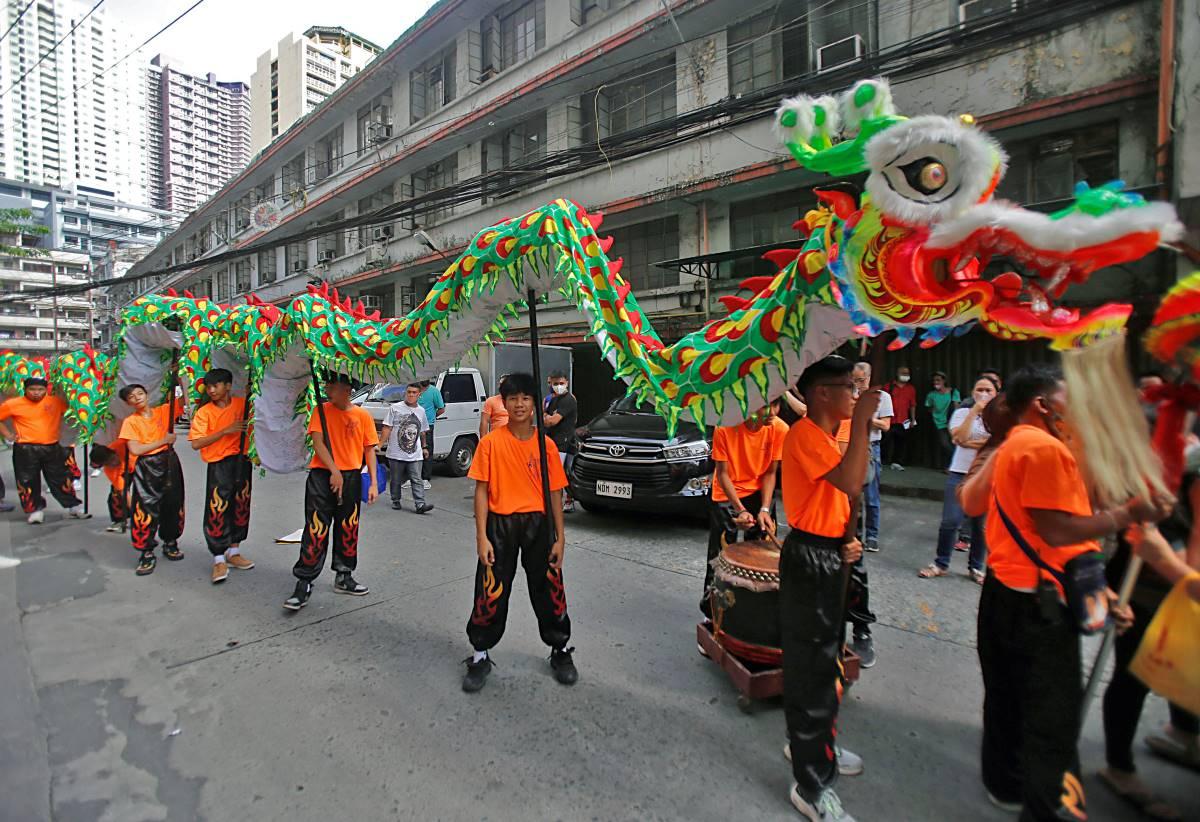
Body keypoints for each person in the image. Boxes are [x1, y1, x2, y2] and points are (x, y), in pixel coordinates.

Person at [977, 363, 1159, 818]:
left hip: (1007, 592)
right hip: (1039, 610)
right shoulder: (1043, 448)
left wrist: (1103, 592)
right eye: (1068, 399)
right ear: (1043, 404)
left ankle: (1007, 785)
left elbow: (1052, 538)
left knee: (1007, 701)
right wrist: (1126, 514)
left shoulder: (1016, 443)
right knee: (1052, 727)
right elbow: (1058, 531)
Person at [778, 355, 877, 822]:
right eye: (848, 388)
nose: (855, 396)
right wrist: (861, 423)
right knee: (811, 663)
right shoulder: (803, 436)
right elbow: (852, 479)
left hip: (831, 551)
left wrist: (849, 538)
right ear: (822, 393)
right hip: (810, 556)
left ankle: (813, 746)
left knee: (827, 659)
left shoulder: (825, 434)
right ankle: (810, 783)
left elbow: (849, 496)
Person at [1098, 461, 1200, 819]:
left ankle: (1186, 732)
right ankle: (1119, 767)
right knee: (1133, 677)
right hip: (1145, 592)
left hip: (1182, 593)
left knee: (1186, 668)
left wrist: (1169, 561)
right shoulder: (1176, 466)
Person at [462, 372, 575, 693]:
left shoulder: (547, 446)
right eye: (513, 399)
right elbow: (481, 492)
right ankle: (480, 652)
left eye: (526, 398)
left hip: (539, 524)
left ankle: (560, 649)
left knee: (550, 587)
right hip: (500, 524)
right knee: (490, 589)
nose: (520, 404)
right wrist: (481, 537)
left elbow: (555, 493)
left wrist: (560, 538)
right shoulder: (490, 444)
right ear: (504, 403)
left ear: (535, 404)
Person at [284, 372, 379, 610]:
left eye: (332, 387)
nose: (327, 390)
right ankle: (304, 580)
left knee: (348, 527)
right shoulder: (321, 411)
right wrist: (334, 471)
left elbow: (369, 451)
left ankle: (344, 575)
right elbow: (318, 444)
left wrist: (374, 483)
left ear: (346, 389)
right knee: (316, 527)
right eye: (326, 386)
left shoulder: (362, 415)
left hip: (351, 476)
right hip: (322, 475)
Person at [701, 401, 787, 620]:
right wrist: (739, 510)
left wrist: (765, 508)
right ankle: (711, 613)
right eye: (764, 406)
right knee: (720, 555)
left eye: (776, 405)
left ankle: (755, 612)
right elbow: (722, 474)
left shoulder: (779, 428)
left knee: (763, 554)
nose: (771, 412)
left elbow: (770, 473)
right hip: (727, 494)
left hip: (759, 492)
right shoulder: (725, 427)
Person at [918, 376, 998, 584]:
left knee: (981, 525)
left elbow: (997, 443)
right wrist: (975, 411)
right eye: (979, 389)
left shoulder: (1000, 416)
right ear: (972, 392)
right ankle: (941, 563)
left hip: (985, 475)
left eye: (988, 390)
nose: (984, 394)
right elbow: (959, 438)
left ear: (996, 393)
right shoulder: (962, 412)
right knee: (950, 521)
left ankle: (976, 567)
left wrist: (971, 441)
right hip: (959, 472)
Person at [188, 368, 255, 585]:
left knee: (241, 505)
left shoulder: (241, 404)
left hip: (242, 461)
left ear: (228, 385)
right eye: (209, 387)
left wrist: (252, 395)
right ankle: (218, 557)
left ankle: (234, 551)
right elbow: (196, 443)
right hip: (219, 464)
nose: (212, 390)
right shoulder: (205, 412)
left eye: (216, 385)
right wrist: (225, 431)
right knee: (218, 508)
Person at [0, 377, 88, 524]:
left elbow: (72, 416)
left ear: (46, 390)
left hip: (52, 447)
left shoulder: (55, 402)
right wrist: (8, 434)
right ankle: (35, 510)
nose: (36, 393)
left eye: (40, 389)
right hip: (25, 448)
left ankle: (73, 506)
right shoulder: (13, 404)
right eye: (32, 389)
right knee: (27, 480)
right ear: (25, 390)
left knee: (61, 478)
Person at [118, 384, 185, 576]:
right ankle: (146, 551)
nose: (137, 397)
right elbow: (136, 449)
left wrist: (180, 377)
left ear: (147, 394)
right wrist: (163, 440)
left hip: (169, 461)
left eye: (140, 393)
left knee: (173, 503)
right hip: (147, 466)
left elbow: (186, 401)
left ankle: (170, 541)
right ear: (128, 402)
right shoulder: (130, 422)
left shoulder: (163, 411)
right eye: (132, 396)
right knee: (146, 507)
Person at [852, 362, 892, 552]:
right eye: (854, 381)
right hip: (850, 445)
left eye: (860, 380)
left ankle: (872, 535)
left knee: (871, 494)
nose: (857, 384)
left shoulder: (882, 397)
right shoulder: (849, 396)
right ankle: (853, 533)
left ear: (869, 377)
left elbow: (886, 425)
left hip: (871, 446)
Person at [381, 383, 434, 514]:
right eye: (409, 392)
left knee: (416, 478)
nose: (411, 395)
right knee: (396, 479)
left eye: (414, 393)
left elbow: (422, 431)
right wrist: (379, 444)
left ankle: (420, 504)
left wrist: (425, 447)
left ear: (419, 395)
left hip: (415, 453)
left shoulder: (421, 411)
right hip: (395, 452)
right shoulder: (395, 408)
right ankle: (396, 499)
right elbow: (387, 427)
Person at [543, 371, 579, 513]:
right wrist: (546, 417)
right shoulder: (550, 399)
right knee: (558, 473)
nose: (559, 386)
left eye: (561, 383)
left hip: (563, 442)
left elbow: (552, 421)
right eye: (555, 384)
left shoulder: (569, 400)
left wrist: (547, 418)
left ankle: (560, 503)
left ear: (567, 383)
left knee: (557, 475)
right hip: (551, 440)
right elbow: (543, 414)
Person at [88, 441, 128, 533]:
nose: (113, 463)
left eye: (112, 459)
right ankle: (119, 520)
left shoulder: (121, 445)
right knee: (115, 495)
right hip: (123, 473)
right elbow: (124, 492)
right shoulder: (110, 470)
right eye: (108, 463)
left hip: (137, 463)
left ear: (113, 452)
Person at [882, 366, 917, 469]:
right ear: (897, 373)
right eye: (903, 373)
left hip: (903, 419)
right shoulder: (888, 387)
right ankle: (882, 460)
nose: (905, 375)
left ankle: (897, 462)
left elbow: (913, 405)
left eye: (907, 373)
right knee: (885, 441)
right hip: (889, 419)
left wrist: (913, 419)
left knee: (901, 442)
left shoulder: (911, 389)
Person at [925, 371, 960, 467]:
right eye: (934, 380)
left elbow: (957, 407)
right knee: (944, 444)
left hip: (952, 422)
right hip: (939, 423)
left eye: (938, 380)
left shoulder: (953, 392)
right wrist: (936, 415)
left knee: (953, 444)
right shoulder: (931, 395)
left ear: (944, 381)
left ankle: (951, 466)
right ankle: (955, 463)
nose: (936, 382)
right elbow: (929, 408)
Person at [417, 378, 445, 488]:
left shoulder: (434, 391)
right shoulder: (415, 390)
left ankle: (425, 478)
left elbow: (441, 409)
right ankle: (413, 477)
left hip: (428, 426)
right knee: (413, 452)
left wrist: (432, 417)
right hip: (413, 425)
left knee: (427, 451)